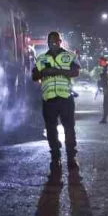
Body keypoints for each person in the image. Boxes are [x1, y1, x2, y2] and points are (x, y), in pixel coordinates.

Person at [32, 31, 81, 169]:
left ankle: (71, 157)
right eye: (50, 42)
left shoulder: (69, 56)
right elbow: (34, 76)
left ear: (60, 42)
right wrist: (42, 73)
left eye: (55, 42)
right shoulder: (41, 58)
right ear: (47, 43)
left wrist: (55, 71)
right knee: (51, 130)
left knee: (69, 129)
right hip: (49, 99)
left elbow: (75, 72)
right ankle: (55, 157)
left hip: (65, 98)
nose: (53, 44)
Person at [94, 56, 108, 121]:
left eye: (100, 61)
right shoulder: (105, 68)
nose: (99, 63)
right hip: (106, 87)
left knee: (107, 103)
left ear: (104, 61)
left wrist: (102, 77)